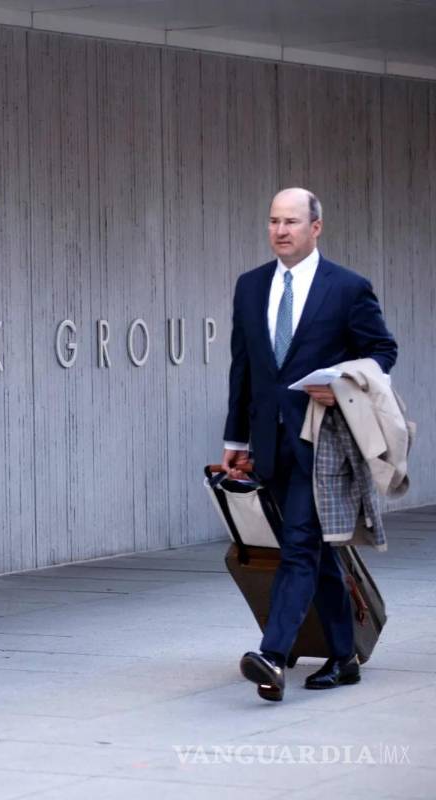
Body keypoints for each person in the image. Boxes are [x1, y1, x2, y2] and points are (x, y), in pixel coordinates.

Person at [221, 187, 397, 702]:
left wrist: (341, 380)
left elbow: (382, 352)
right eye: (274, 220)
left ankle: (272, 655)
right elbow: (244, 368)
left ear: (315, 227)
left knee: (299, 545)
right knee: (314, 554)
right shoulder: (250, 287)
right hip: (271, 445)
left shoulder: (347, 288)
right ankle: (343, 656)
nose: (280, 230)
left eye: (292, 222)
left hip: (323, 443)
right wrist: (236, 438)